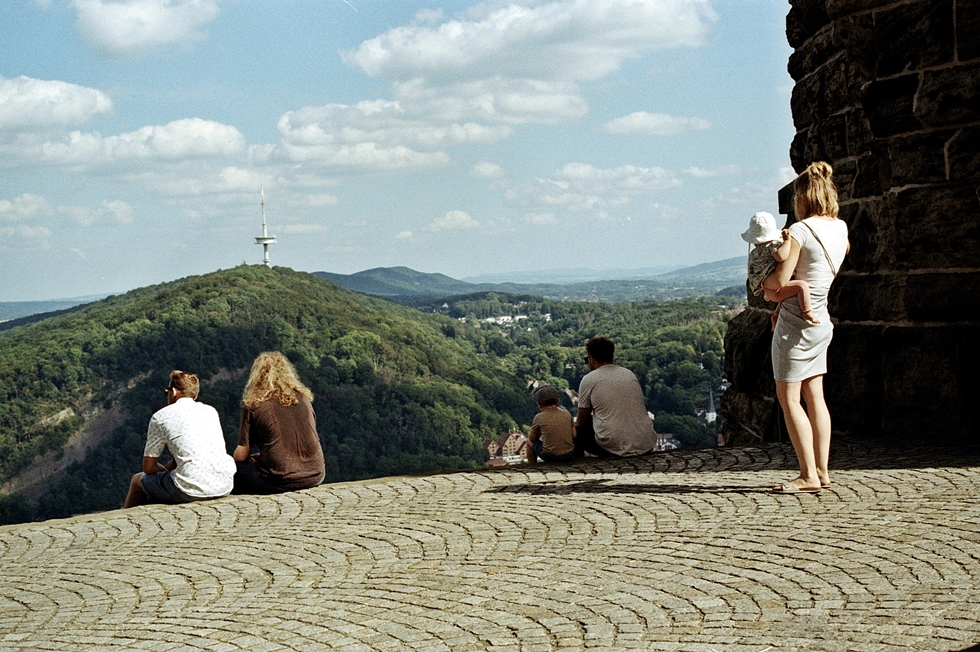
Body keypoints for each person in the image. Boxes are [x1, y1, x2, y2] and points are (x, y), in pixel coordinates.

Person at [770, 162, 849, 493]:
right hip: (822, 321)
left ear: (802, 198)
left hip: (794, 324)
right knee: (815, 395)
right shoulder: (841, 228)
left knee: (788, 397)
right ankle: (823, 469)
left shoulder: (801, 231)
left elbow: (777, 284)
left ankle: (807, 475)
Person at [124, 370, 236, 508]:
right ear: (194, 396)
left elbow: (148, 467)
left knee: (136, 481)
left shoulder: (160, 417)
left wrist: (164, 471)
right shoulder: (211, 411)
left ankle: (126, 520)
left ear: (174, 392)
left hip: (190, 489)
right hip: (224, 485)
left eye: (167, 392)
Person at [233, 351, 325, 494]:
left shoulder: (254, 405)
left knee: (230, 471)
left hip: (281, 479)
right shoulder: (304, 399)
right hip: (316, 474)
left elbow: (241, 455)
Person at [575, 336, 657, 457]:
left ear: (592, 358)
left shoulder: (589, 379)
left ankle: (577, 465)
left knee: (576, 430)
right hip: (646, 442)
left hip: (611, 446)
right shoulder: (629, 374)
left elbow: (582, 419)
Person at [741, 211, 819, 328]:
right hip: (774, 289)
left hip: (767, 289)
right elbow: (781, 256)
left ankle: (775, 317)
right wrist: (787, 241)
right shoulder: (770, 247)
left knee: (784, 299)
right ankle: (807, 312)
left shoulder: (755, 253)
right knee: (802, 286)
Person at [525, 384, 575, 464]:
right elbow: (574, 434)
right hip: (569, 454)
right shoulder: (566, 413)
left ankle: (533, 466)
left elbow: (532, 439)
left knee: (528, 442)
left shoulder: (539, 417)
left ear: (539, 404)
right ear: (558, 402)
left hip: (550, 456)